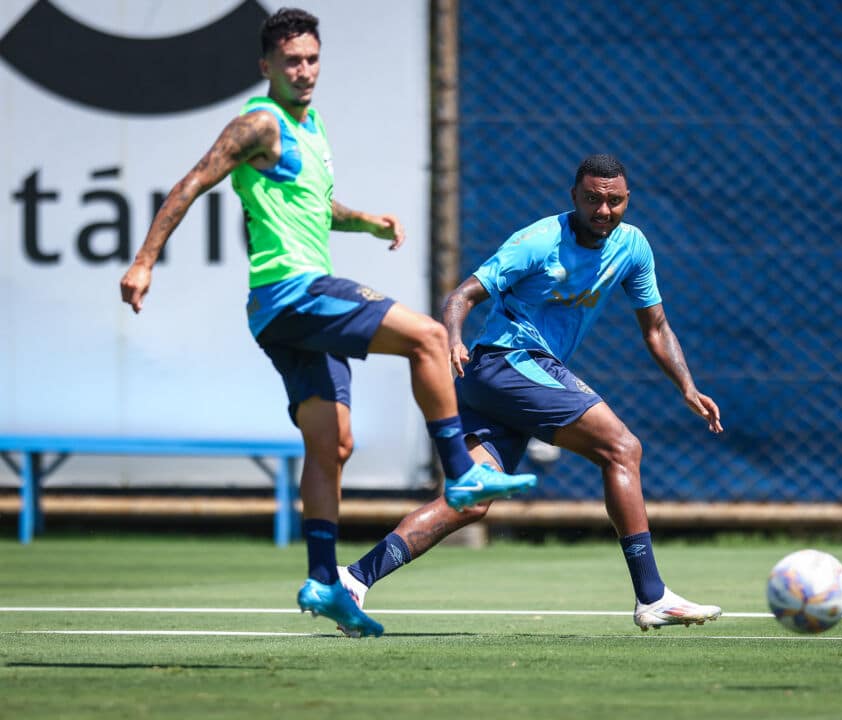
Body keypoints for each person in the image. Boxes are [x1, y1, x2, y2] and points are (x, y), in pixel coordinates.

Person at [118, 7, 536, 638]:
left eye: (312, 58)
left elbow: (316, 205)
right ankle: (460, 471)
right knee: (427, 336)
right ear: (267, 67)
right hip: (293, 294)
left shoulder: (309, 130)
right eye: (291, 61)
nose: (304, 70)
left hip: (283, 318)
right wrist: (145, 261)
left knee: (332, 444)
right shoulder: (259, 123)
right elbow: (190, 184)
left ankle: (323, 580)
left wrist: (365, 221)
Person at [338, 154, 724, 631]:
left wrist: (687, 386)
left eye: (615, 201)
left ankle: (354, 579)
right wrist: (453, 337)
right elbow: (460, 296)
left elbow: (657, 327)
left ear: (627, 199)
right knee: (623, 448)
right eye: (593, 200)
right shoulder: (538, 241)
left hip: (506, 378)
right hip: (506, 361)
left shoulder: (633, 247)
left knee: (472, 501)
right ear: (574, 198)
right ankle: (652, 595)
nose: (604, 211)